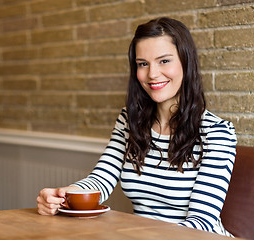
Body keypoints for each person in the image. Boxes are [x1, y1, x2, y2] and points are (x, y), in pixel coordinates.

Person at [37, 17, 237, 237]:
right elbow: (101, 181)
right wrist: (64, 195)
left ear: (186, 62)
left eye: (164, 61)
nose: (152, 74)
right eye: (143, 64)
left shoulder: (217, 133)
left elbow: (202, 223)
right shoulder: (129, 120)